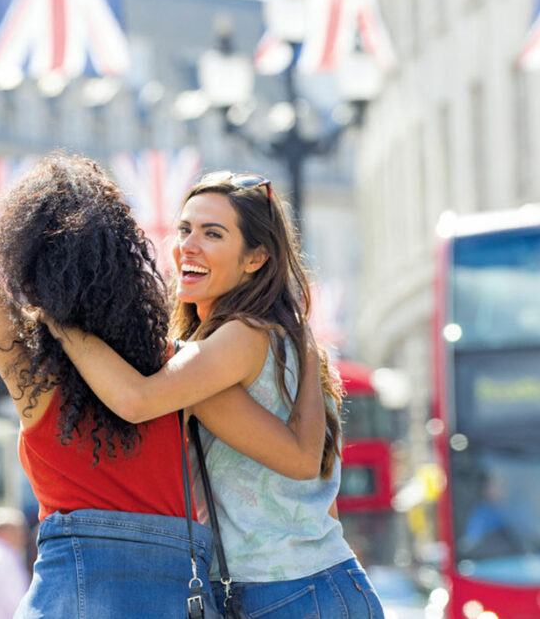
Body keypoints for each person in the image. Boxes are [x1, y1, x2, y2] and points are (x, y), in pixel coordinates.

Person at [0, 26, 327, 618]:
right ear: (126, 265)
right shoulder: (179, 371)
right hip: (177, 597)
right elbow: (298, 455)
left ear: (29, 266)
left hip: (71, 596)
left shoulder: (30, 367)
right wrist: (303, 340)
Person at [45, 171, 385, 616]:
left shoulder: (242, 336)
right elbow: (320, 494)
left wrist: (58, 323)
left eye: (212, 233)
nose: (189, 244)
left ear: (255, 258)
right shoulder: (275, 337)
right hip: (303, 588)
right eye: (185, 229)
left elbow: (136, 400)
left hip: (294, 593)